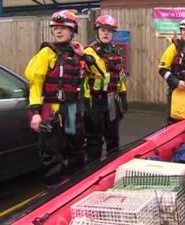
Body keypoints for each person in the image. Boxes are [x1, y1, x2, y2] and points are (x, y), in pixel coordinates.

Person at [25, 10, 90, 187]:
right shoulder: (46, 53)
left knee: (77, 152)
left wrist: (85, 55)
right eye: (56, 28)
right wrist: (35, 113)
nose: (59, 31)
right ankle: (53, 192)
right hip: (52, 111)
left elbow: (98, 75)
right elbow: (35, 84)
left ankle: (77, 188)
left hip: (73, 109)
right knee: (52, 156)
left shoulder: (78, 54)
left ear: (72, 31)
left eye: (63, 28)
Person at [83, 15, 128, 163]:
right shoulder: (88, 52)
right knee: (94, 140)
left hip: (110, 100)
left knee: (113, 138)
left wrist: (123, 96)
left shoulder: (116, 52)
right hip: (94, 102)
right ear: (97, 31)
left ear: (113, 33)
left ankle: (112, 167)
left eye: (109, 31)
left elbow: (120, 76)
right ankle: (91, 173)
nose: (106, 33)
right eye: (103, 30)